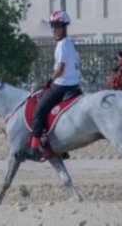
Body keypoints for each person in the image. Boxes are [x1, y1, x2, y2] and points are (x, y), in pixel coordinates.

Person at [21, 10, 82, 161]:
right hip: (75, 86)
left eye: (57, 26)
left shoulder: (61, 45)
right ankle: (58, 147)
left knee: (38, 111)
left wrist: (49, 80)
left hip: (62, 85)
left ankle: (34, 148)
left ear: (64, 27)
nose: (54, 29)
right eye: (53, 26)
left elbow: (60, 69)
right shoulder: (70, 43)